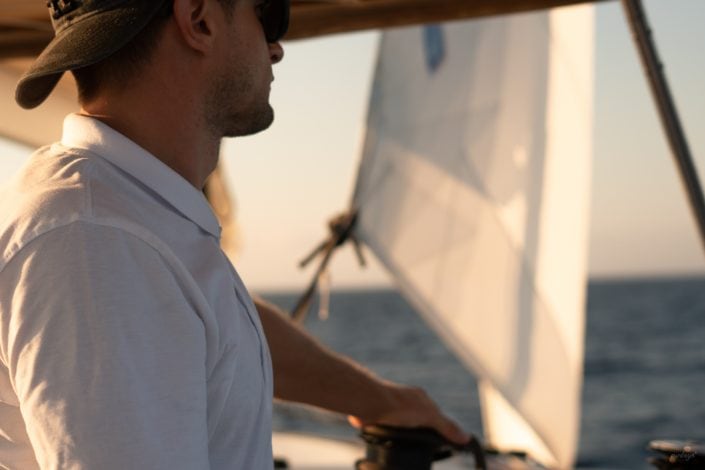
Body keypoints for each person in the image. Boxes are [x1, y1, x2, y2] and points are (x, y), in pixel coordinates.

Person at [0, 0, 469, 468]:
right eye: (267, 14)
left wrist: (379, 400)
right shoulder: (101, 243)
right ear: (199, 20)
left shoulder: (131, 220)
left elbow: (203, 325)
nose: (277, 48)